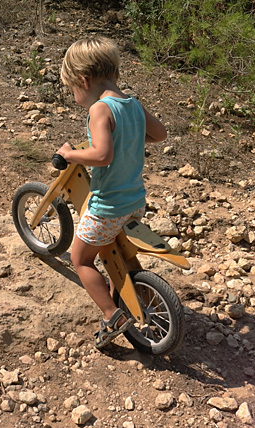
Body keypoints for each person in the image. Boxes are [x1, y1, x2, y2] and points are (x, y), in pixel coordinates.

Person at [56, 36, 167, 349]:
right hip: (134, 201)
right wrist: (129, 138)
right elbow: (159, 134)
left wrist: (70, 155)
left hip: (108, 206)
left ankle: (111, 314)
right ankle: (131, 284)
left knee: (80, 260)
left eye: (72, 89)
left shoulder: (100, 109)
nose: (74, 95)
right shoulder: (130, 104)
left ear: (83, 80)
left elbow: (101, 155)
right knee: (109, 246)